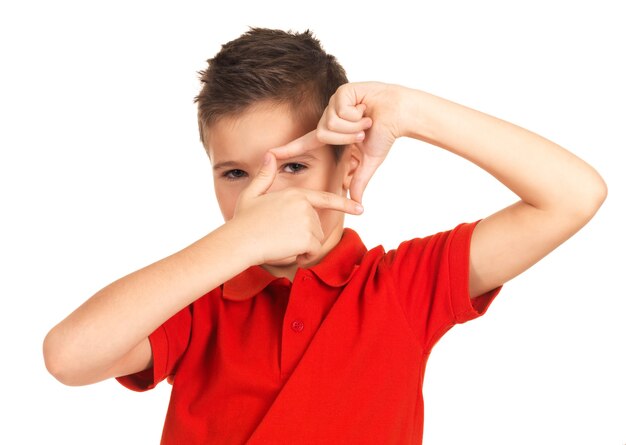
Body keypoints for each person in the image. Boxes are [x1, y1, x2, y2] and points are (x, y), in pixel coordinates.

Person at [42, 27, 607, 444]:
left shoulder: (403, 287)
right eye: (236, 174)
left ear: (348, 165)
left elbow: (573, 196)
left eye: (293, 166)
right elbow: (68, 357)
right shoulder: (195, 301)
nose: (262, 196)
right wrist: (238, 243)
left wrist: (408, 109)